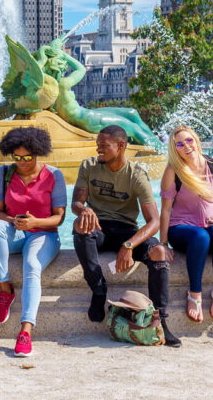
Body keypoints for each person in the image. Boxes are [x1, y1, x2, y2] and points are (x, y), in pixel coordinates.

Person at [72, 124, 180, 347]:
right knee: (80, 224)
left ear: (120, 146)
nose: (98, 150)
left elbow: (154, 221)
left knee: (159, 252)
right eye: (97, 145)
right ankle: (99, 289)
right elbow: (76, 203)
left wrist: (129, 245)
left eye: (103, 146)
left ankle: (160, 321)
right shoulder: (88, 166)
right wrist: (84, 209)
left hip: (126, 229)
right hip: (98, 227)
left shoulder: (136, 174)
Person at [0, 126, 67, 357]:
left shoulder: (54, 175)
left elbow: (59, 218)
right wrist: (15, 221)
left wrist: (35, 223)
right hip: (16, 231)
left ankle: (26, 331)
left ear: (38, 152)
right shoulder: (4, 173)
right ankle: (5, 289)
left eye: (27, 157)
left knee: (32, 265)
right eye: (17, 157)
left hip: (44, 234)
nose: (21, 162)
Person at [158, 126, 213, 322]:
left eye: (189, 140)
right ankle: (195, 294)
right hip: (181, 229)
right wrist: (163, 243)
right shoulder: (173, 171)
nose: (186, 147)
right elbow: (165, 210)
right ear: (175, 150)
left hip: (210, 226)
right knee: (200, 237)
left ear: (196, 140)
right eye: (179, 145)